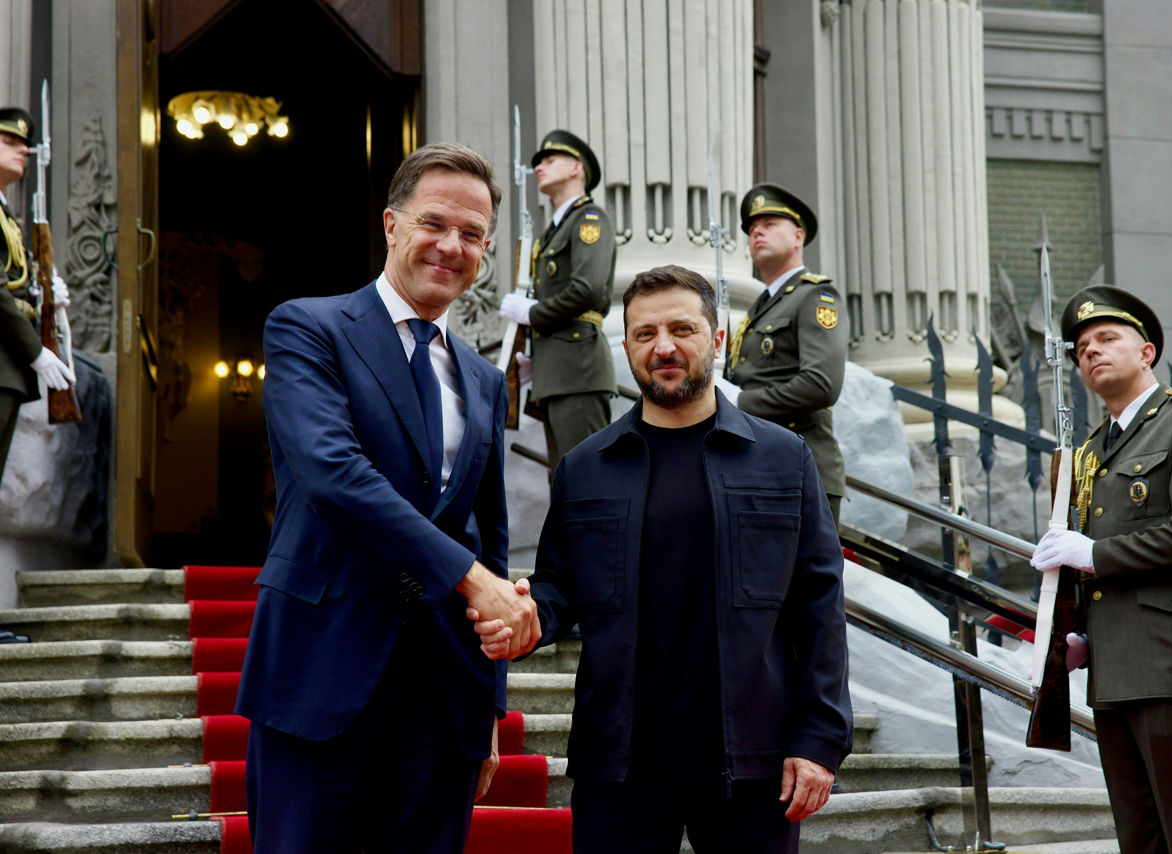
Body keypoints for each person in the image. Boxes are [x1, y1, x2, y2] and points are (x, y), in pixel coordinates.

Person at [480, 265, 853, 854]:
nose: (665, 347)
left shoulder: (784, 459)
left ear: (719, 338)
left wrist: (820, 740)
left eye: (683, 329)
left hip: (753, 762)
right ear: (626, 346)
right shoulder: (585, 466)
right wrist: (524, 616)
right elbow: (558, 587)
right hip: (618, 763)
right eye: (645, 334)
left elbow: (821, 609)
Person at [235, 142, 541, 854]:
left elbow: (486, 536)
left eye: (472, 235)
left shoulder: (484, 379)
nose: (451, 246)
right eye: (435, 223)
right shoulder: (307, 328)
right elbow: (332, 473)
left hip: (444, 698)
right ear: (392, 225)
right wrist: (472, 579)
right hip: (321, 675)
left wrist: (489, 703)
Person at [1031, 284, 1172, 854]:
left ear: (1145, 352)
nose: (1091, 352)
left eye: (1106, 339)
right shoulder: (1091, 450)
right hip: (1117, 669)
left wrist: (1093, 555)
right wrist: (1078, 631)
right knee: (1141, 841)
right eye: (1081, 349)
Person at [716, 182, 846, 524]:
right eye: (752, 229)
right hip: (755, 464)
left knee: (804, 578)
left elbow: (821, 385)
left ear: (798, 237)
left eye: (770, 224)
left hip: (801, 468)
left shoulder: (816, 297)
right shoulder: (761, 307)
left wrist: (740, 401)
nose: (758, 232)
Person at [498, 129, 616, 473]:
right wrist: (539, 356)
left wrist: (532, 313)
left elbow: (587, 289)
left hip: (578, 371)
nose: (540, 168)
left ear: (576, 168)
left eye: (550, 160)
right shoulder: (554, 230)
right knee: (564, 482)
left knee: (586, 480)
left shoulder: (588, 220)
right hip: (559, 371)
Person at [0, 106, 73, 478]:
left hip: (7, 367)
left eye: (24, 144)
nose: (23, 150)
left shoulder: (6, 215)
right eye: (9, 141)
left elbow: (11, 282)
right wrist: (37, 352)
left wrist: (41, 295)